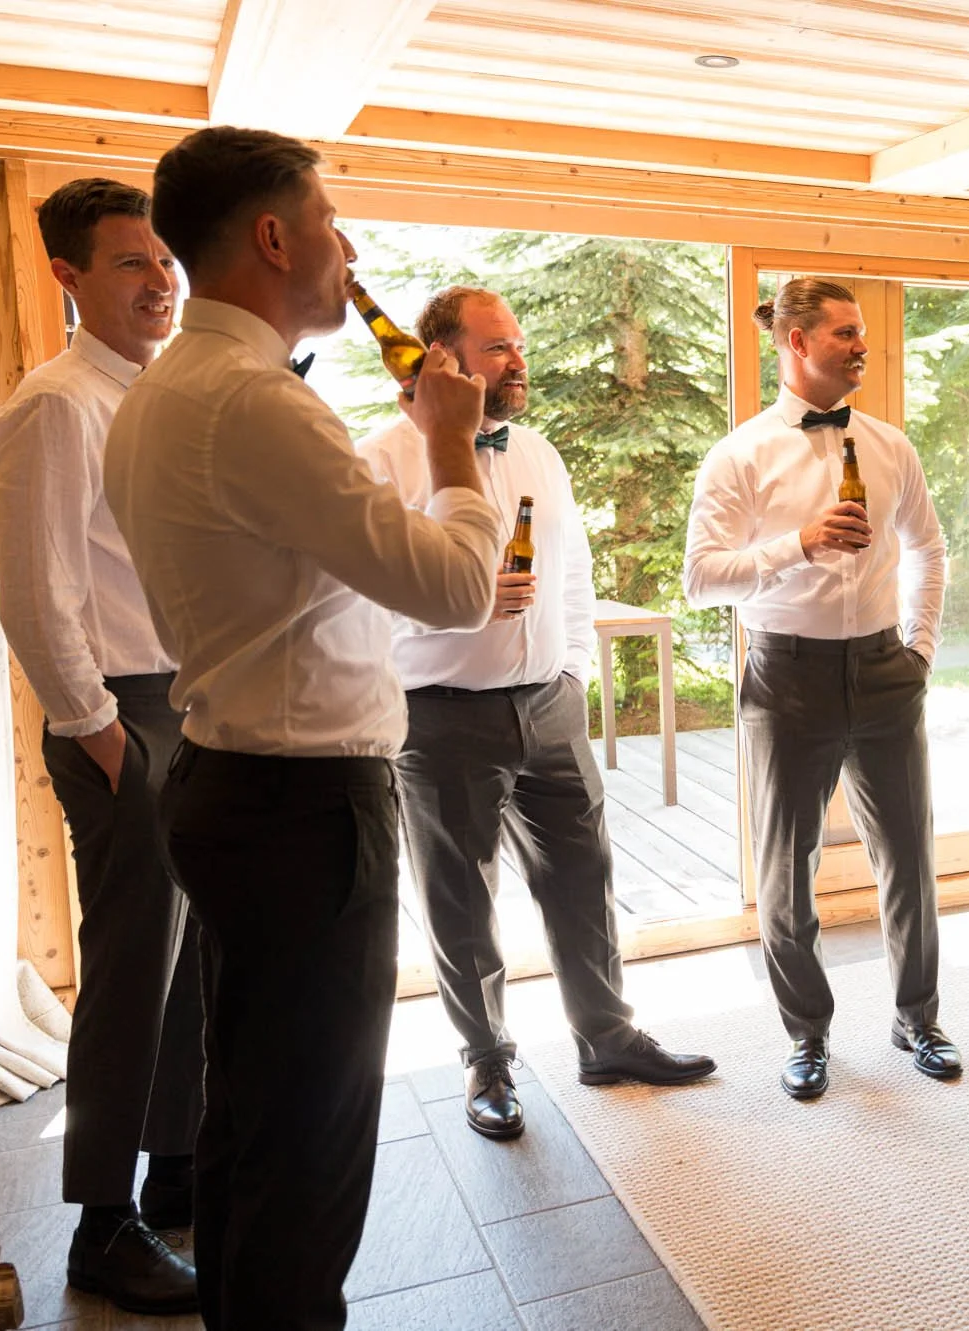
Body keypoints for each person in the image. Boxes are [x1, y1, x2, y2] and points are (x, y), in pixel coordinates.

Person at [103, 126, 504, 1330]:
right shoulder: (255, 404)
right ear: (274, 237)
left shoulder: (163, 391)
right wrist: (448, 444)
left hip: (226, 779)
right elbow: (454, 588)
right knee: (314, 1140)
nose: (348, 250)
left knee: (251, 1115)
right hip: (302, 811)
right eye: (330, 223)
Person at [359, 286, 713, 1142]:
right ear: (440, 360)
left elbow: (575, 577)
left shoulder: (541, 453)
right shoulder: (378, 461)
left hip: (550, 706)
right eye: (497, 349)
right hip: (439, 716)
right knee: (459, 898)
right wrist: (463, 607)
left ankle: (608, 1036)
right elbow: (358, 602)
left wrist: (577, 675)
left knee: (584, 877)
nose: (519, 361)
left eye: (519, 345)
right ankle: (487, 1060)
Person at [0, 178, 201, 1314]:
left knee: (191, 958)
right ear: (69, 276)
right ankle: (100, 1226)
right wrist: (100, 729)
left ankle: (177, 1173)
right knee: (129, 973)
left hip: (192, 700)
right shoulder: (60, 402)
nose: (159, 278)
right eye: (130, 262)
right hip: (124, 711)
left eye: (164, 259)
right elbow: (35, 593)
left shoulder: (158, 394)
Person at [683, 276, 952, 1101]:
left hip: (883, 672)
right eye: (842, 332)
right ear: (796, 343)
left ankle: (918, 1016)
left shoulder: (889, 444)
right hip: (785, 674)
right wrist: (795, 545)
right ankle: (807, 1032)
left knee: (908, 855)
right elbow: (699, 578)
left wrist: (920, 651)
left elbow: (930, 551)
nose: (859, 344)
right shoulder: (740, 455)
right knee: (785, 867)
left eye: (861, 331)